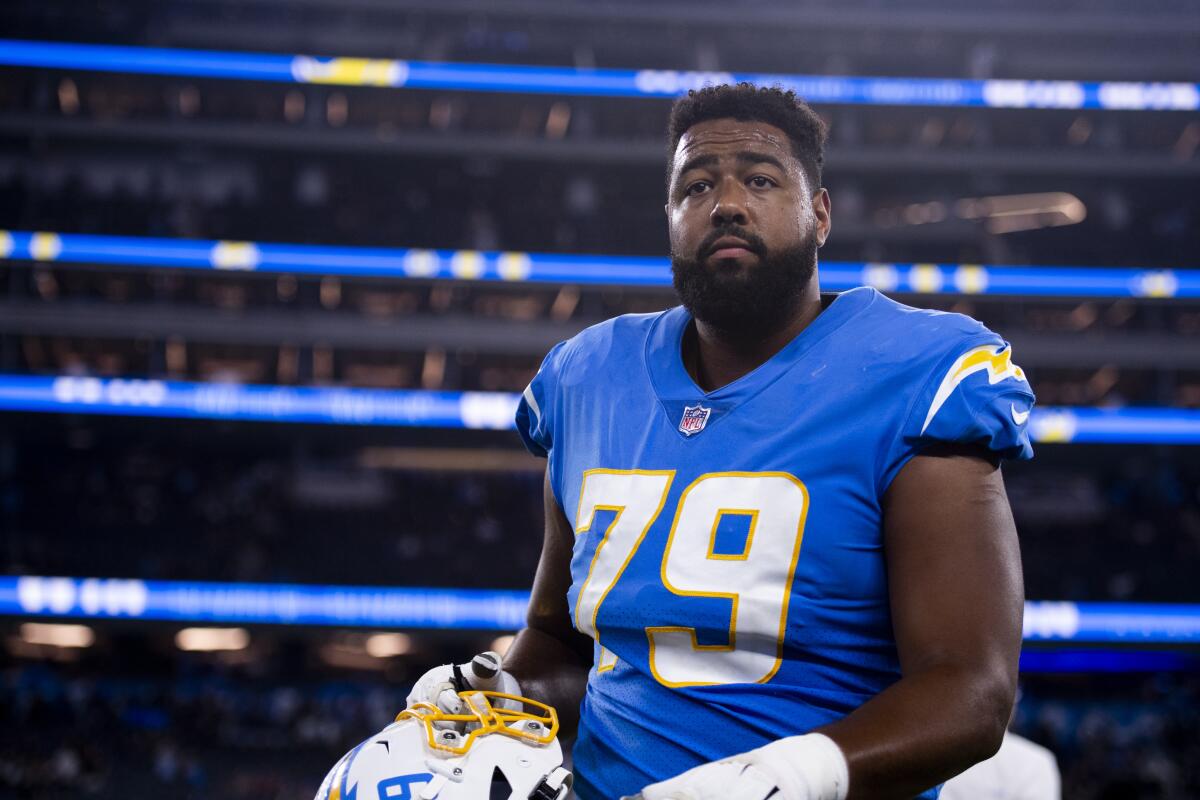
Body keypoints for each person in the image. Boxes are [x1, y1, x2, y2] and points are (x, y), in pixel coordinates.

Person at [410, 83, 1035, 800]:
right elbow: (562, 642)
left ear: (820, 214)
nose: (727, 203)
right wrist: (498, 696)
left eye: (761, 180)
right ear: (671, 218)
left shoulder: (912, 370)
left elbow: (972, 690)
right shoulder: (589, 378)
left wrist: (786, 778)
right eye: (697, 185)